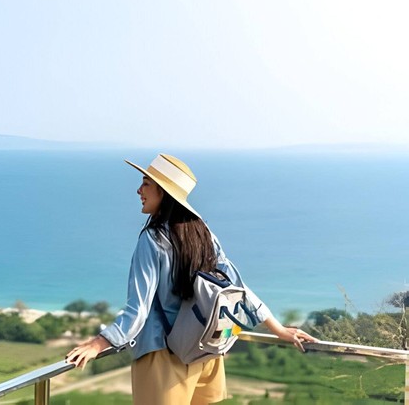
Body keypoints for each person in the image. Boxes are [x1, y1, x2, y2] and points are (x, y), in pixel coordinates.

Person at [65, 153, 316, 405]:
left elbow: (137, 310)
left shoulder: (151, 240)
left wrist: (98, 344)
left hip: (164, 360)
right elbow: (237, 289)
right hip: (206, 353)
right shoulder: (203, 232)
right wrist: (279, 329)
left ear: (163, 192)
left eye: (146, 184)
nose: (138, 190)